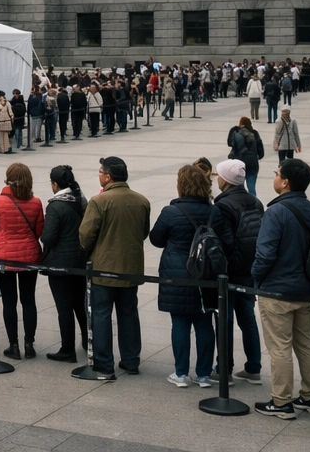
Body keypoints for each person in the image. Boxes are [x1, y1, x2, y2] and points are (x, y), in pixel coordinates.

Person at [250, 158, 310, 419]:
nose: (274, 177)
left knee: (280, 347)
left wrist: (256, 278)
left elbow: (265, 254)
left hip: (277, 291)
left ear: (285, 182)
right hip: (306, 289)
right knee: (306, 343)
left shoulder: (276, 212)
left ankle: (281, 401)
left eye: (277, 174)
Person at [151, 164, 235, 388]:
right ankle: (204, 374)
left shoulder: (170, 212)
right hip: (206, 273)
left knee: (180, 322)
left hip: (177, 273)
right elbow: (226, 242)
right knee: (204, 322)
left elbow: (156, 239)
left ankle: (181, 373)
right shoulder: (214, 212)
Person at [75, 156, 151, 382]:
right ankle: (131, 360)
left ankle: (104, 363)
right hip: (130, 268)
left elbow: (85, 235)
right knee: (129, 313)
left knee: (101, 314)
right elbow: (143, 232)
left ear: (108, 177)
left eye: (100, 172)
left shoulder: (99, 201)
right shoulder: (142, 201)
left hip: (104, 268)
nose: (99, 175)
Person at [0, 162, 44, 360]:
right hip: (29, 257)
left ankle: (13, 345)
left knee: (9, 302)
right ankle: (29, 344)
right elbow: (39, 231)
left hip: (4, 257)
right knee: (29, 300)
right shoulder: (36, 202)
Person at [213, 160, 265, 383]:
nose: (217, 179)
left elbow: (224, 241)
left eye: (219, 175)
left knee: (224, 320)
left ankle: (224, 369)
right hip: (250, 269)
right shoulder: (255, 201)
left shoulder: (223, 205)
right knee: (247, 318)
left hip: (230, 271)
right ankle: (253, 367)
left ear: (225, 179)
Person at [40, 165, 88, 362]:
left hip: (60, 264)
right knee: (80, 304)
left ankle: (67, 349)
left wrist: (42, 235)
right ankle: (87, 340)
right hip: (80, 261)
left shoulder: (55, 206)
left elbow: (48, 237)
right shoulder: (81, 199)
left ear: (55, 184)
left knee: (64, 307)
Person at [228, 117, 264, 196]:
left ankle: (240, 200)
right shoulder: (254, 133)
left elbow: (229, 143)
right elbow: (261, 150)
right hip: (252, 162)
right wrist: (257, 156)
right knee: (251, 187)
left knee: (238, 186)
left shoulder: (235, 131)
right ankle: (253, 201)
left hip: (238, 162)